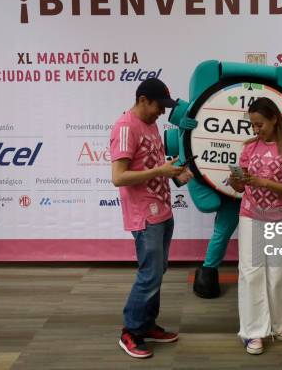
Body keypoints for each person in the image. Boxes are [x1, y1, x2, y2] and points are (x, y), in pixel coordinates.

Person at [110, 77, 192, 359]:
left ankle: (146, 324)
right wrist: (160, 172)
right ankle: (130, 331)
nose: (162, 112)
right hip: (144, 215)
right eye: (159, 106)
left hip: (163, 209)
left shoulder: (151, 124)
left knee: (158, 271)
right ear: (143, 100)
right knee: (149, 273)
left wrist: (177, 172)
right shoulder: (125, 127)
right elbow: (119, 177)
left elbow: (154, 164)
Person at [228, 97, 282, 355]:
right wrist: (238, 181)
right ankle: (253, 332)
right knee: (251, 272)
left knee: (279, 274)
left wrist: (262, 182)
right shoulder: (250, 147)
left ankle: (278, 324)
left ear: (274, 118)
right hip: (251, 215)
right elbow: (243, 185)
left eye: (260, 124)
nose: (256, 129)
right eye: (252, 125)